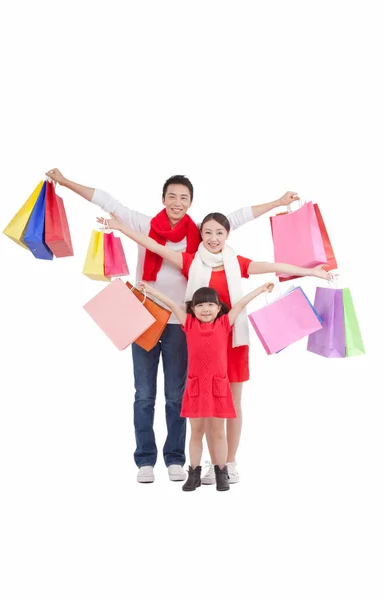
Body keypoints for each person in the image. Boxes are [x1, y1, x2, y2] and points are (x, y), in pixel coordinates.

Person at [46, 168, 300, 484]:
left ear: (191, 202)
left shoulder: (200, 234)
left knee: (177, 395)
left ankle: (177, 459)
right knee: (144, 393)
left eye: (184, 198)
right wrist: (66, 182)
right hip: (143, 317)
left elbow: (238, 217)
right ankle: (145, 460)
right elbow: (106, 200)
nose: (177, 203)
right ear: (163, 199)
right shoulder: (142, 225)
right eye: (172, 197)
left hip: (184, 323)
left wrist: (277, 202)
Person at [101, 211, 331, 484]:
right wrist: (120, 227)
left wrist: (310, 271)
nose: (213, 238)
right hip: (200, 344)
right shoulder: (190, 262)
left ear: (227, 235)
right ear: (201, 236)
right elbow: (154, 246)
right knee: (207, 406)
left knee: (231, 404)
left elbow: (272, 265)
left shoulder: (237, 262)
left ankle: (229, 463)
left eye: (219, 233)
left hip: (232, 340)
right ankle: (213, 463)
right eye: (207, 233)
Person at [135, 281, 275, 492]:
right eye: (200, 305)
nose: (206, 309)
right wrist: (149, 290)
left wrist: (261, 289)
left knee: (219, 432)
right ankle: (194, 473)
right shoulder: (189, 324)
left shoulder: (224, 324)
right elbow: (172, 304)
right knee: (196, 432)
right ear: (192, 309)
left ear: (219, 308)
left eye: (210, 305)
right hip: (196, 387)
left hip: (218, 387)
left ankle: (222, 473)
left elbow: (241, 303)